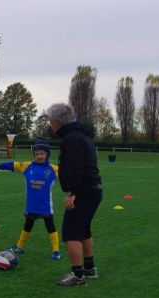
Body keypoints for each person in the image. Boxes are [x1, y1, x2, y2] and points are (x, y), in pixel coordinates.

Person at [47, 103, 103, 286]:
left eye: (50, 120)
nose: (50, 124)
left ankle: (77, 276)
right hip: (93, 189)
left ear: (57, 121)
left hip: (83, 191)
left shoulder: (71, 139)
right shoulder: (82, 136)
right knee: (84, 229)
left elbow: (74, 168)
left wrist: (72, 193)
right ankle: (89, 269)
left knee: (71, 232)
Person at [0, 138, 61, 260]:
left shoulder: (54, 169)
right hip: (31, 206)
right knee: (27, 226)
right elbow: (12, 165)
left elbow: (69, 176)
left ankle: (56, 251)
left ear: (47, 154)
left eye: (42, 153)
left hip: (46, 206)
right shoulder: (27, 166)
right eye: (37, 154)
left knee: (50, 227)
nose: (39, 156)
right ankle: (19, 247)